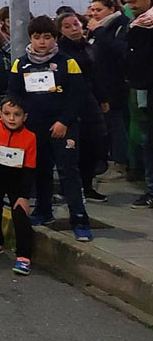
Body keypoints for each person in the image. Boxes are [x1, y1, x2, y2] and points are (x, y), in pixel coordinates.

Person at [7, 16, 91, 240]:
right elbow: (14, 93)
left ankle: (80, 219)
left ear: (55, 38)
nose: (42, 42)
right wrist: (20, 117)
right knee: (40, 171)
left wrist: (64, 121)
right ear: (30, 39)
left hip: (64, 126)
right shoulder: (21, 63)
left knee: (68, 172)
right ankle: (44, 211)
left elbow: (79, 96)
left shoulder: (67, 62)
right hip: (34, 127)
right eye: (37, 38)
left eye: (47, 37)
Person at [0, 97, 37, 276]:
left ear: (24, 117)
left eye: (17, 115)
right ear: (0, 115)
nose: (12, 118)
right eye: (7, 114)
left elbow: (30, 168)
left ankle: (23, 257)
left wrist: (24, 195)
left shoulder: (30, 137)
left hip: (17, 179)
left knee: (20, 214)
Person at [57, 13, 109, 202]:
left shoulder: (88, 48)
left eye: (76, 24)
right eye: (68, 26)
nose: (74, 29)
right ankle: (69, 187)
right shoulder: (60, 51)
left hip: (89, 101)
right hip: (69, 102)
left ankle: (87, 185)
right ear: (61, 30)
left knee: (94, 144)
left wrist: (103, 98)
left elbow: (96, 75)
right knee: (72, 147)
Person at [86, 0, 131, 181]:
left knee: (115, 124)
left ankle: (120, 164)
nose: (95, 13)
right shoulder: (100, 26)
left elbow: (117, 49)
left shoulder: (120, 25)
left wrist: (99, 31)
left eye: (99, 10)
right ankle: (107, 161)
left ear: (111, 9)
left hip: (114, 84)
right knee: (105, 125)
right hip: (100, 84)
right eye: (93, 10)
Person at [123, 0, 153, 208]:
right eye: (128, 3)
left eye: (134, 2)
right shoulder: (140, 24)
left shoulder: (144, 26)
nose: (130, 7)